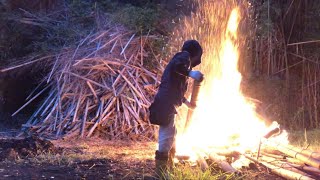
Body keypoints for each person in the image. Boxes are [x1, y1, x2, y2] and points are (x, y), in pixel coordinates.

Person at [149, 40, 203, 177]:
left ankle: (169, 167)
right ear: (195, 54)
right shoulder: (183, 57)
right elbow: (177, 67)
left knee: (172, 133)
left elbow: (175, 91)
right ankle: (160, 174)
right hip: (165, 104)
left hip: (166, 103)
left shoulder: (181, 63)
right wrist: (191, 73)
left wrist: (187, 103)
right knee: (167, 136)